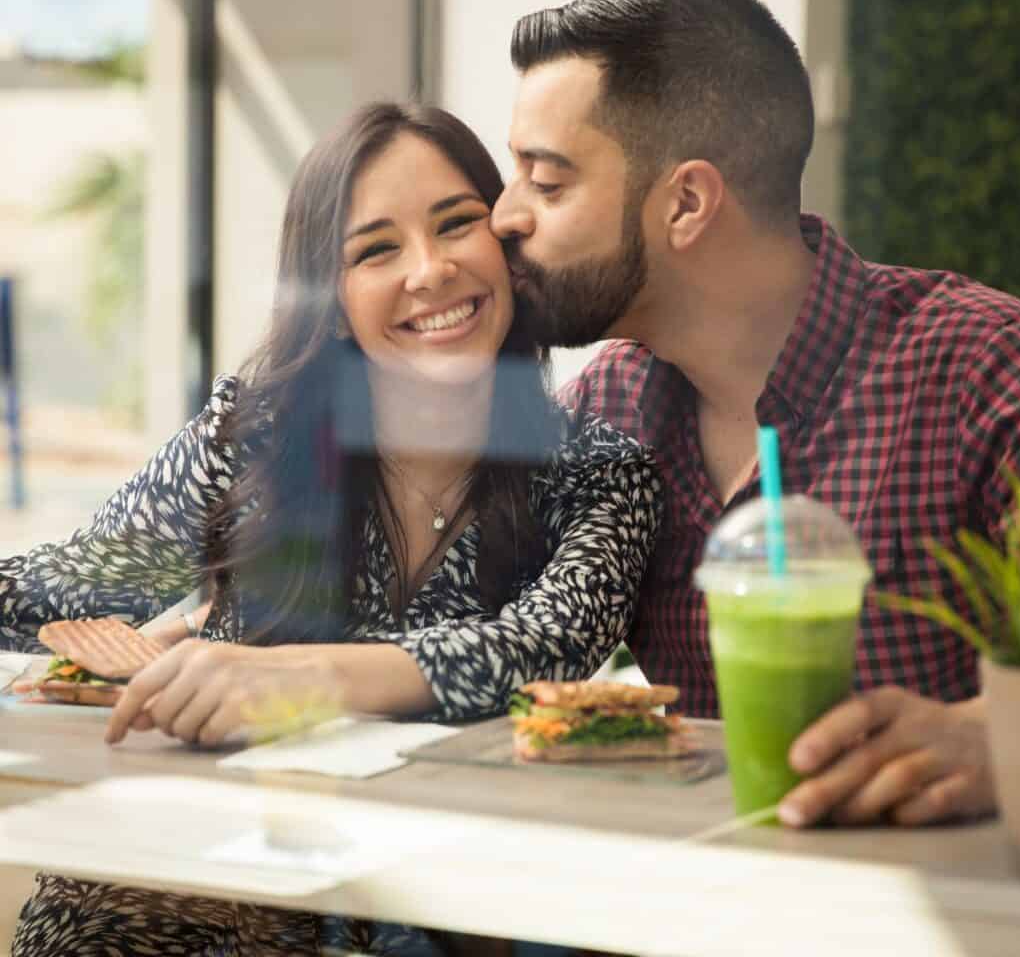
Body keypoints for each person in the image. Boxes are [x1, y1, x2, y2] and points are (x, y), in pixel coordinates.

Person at [2, 102, 660, 956]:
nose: (430, 271)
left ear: (505, 243)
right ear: (332, 293)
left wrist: (303, 680)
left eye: (457, 224)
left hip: (434, 911)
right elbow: (67, 583)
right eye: (376, 249)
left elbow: (542, 652)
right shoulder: (255, 441)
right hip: (188, 883)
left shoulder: (598, 471)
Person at [490, 0, 1020, 830]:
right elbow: (473, 630)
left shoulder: (984, 368)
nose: (503, 217)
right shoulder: (605, 409)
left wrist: (994, 736)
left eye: (546, 183)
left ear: (688, 203)